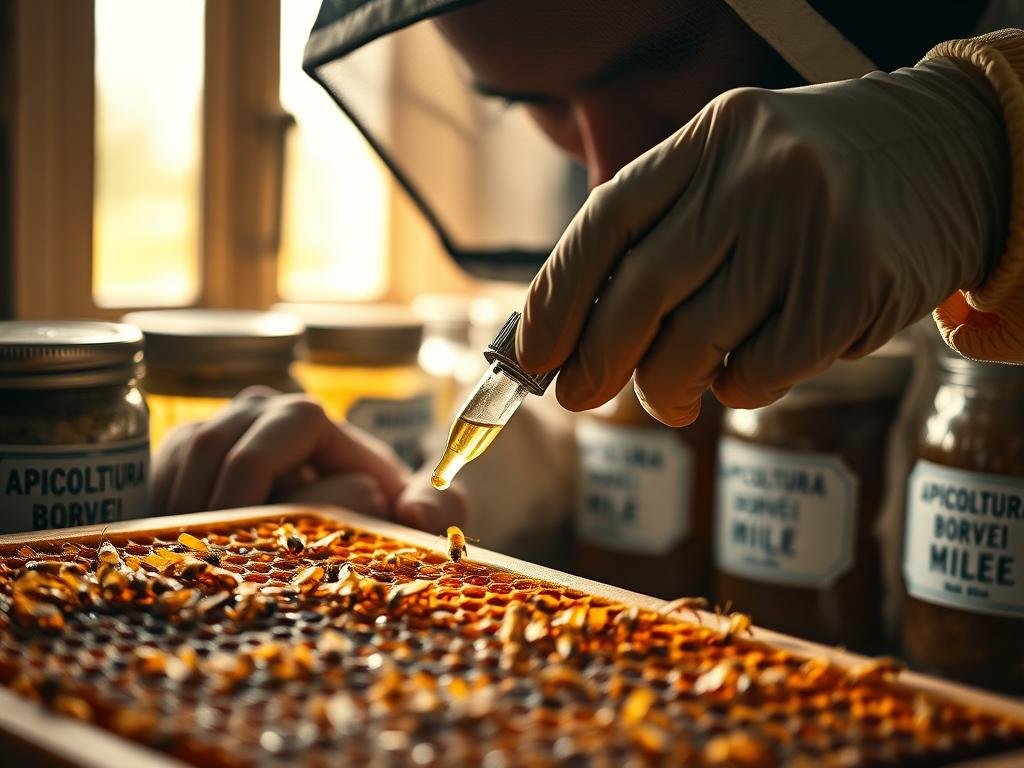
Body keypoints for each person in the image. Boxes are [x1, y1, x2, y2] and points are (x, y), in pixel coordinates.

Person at [154, 1, 1024, 563]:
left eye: (657, 67)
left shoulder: (933, 157)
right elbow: (597, 446)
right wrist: (412, 505)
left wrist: (990, 142)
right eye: (527, 102)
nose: (606, 169)